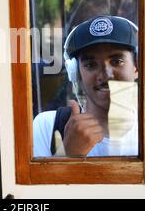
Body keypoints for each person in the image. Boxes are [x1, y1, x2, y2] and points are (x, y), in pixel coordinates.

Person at [33, 15, 139, 157]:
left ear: (137, 67)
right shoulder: (47, 126)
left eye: (117, 61)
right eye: (91, 64)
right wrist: (68, 155)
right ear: (76, 73)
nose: (106, 75)